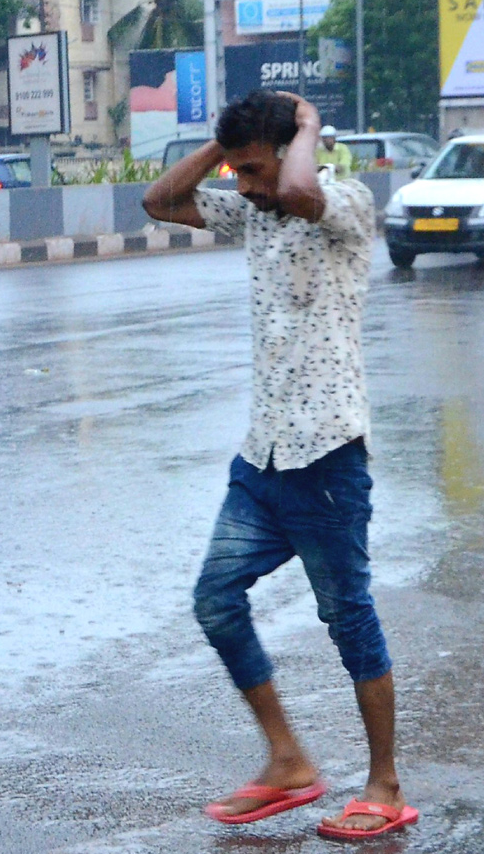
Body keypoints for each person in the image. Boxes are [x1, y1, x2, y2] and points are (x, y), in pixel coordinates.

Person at [142, 90, 418, 841]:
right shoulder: (253, 211)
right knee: (215, 600)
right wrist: (222, 145)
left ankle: (384, 784)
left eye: (255, 170)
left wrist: (304, 129)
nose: (250, 188)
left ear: (297, 149)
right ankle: (288, 758)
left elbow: (298, 187)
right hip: (262, 460)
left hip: (327, 458)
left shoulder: (345, 203)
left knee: (348, 620)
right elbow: (160, 200)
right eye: (240, 174)